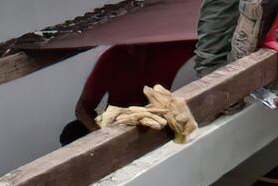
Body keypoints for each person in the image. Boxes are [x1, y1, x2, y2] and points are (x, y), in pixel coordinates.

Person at [60, 41, 194, 145]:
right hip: (120, 131)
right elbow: (82, 109)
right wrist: (103, 137)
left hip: (160, 128)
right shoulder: (112, 58)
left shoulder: (170, 49)